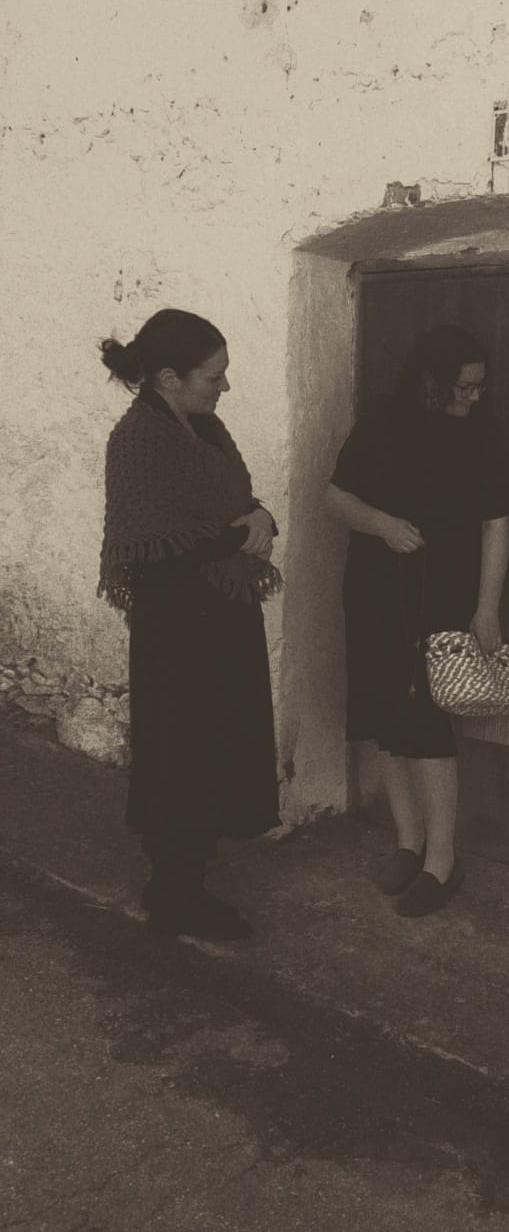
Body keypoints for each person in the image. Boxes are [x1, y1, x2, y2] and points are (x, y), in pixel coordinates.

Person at [98, 309, 282, 942]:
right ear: (169, 378)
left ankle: (184, 877)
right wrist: (243, 529)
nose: (223, 388)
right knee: (182, 752)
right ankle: (175, 894)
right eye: (214, 376)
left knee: (215, 746)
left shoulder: (206, 428)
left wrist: (257, 517)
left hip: (221, 614)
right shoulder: (138, 440)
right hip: (175, 624)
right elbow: (149, 545)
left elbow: (234, 500)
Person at [326, 325, 509, 918]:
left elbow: (497, 526)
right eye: (465, 386)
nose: (474, 397)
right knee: (387, 718)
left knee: (428, 728)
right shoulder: (381, 424)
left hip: (445, 599)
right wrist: (382, 524)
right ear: (430, 383)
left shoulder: (485, 438)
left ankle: (442, 859)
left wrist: (487, 607)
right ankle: (407, 844)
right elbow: (336, 498)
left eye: (481, 387)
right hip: (378, 591)